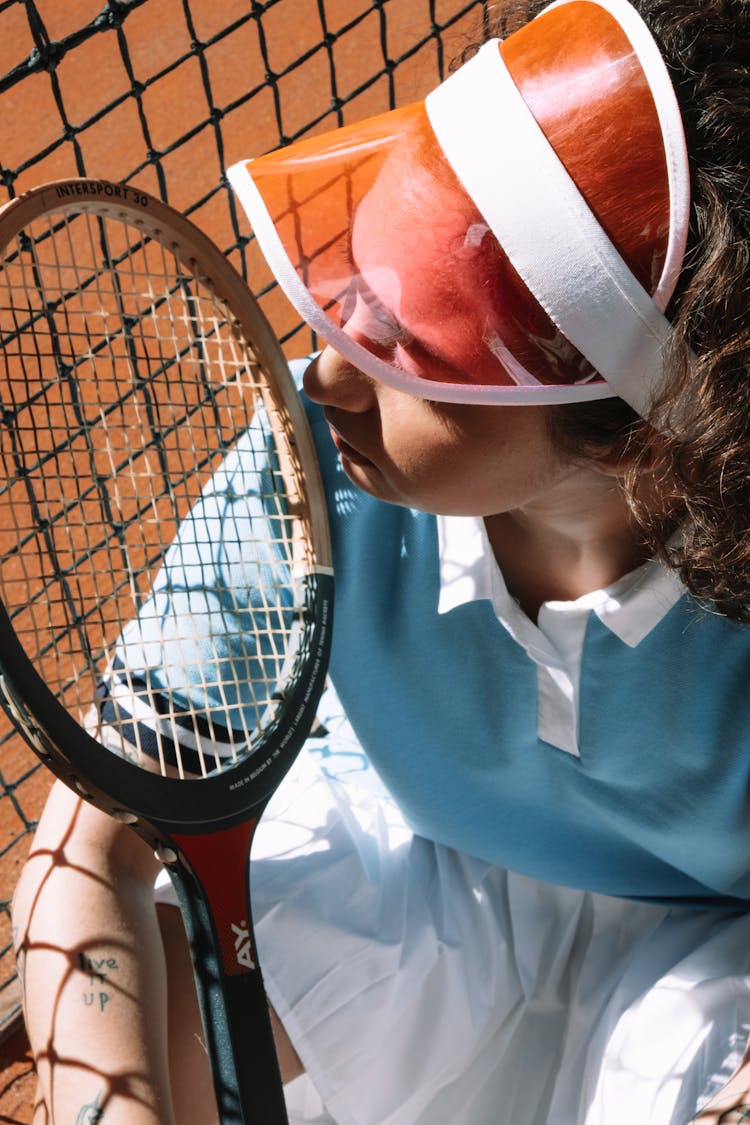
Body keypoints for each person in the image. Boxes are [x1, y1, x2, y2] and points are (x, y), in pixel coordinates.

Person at [11, 0, 750, 1121]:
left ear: (638, 435)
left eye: (403, 348)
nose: (325, 376)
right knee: (164, 968)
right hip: (437, 866)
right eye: (355, 287)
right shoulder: (307, 466)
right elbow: (83, 871)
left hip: (720, 951)